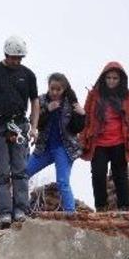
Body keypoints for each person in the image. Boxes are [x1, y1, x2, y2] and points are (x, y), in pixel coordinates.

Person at [0, 36, 40, 226]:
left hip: (19, 125)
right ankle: (4, 212)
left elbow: (34, 101)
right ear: (6, 54)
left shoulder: (28, 75)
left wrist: (34, 127)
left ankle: (21, 209)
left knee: (20, 170)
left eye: (19, 58)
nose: (16, 62)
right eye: (13, 58)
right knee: (2, 171)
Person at [78, 62, 129, 211]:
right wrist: (82, 140)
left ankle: (124, 207)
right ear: (103, 78)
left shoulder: (128, 95)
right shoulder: (94, 94)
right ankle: (101, 207)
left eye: (115, 78)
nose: (112, 81)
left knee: (120, 175)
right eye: (108, 77)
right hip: (98, 142)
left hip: (120, 141)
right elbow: (85, 118)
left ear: (121, 80)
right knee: (98, 174)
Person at [26, 73, 86, 212]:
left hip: (64, 149)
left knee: (63, 182)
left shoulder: (71, 102)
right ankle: (20, 207)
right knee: (24, 173)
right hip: (44, 148)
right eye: (52, 88)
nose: (54, 92)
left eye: (58, 89)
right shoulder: (41, 100)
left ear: (64, 89)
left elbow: (76, 128)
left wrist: (82, 115)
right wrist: (47, 109)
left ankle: (71, 214)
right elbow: (33, 120)